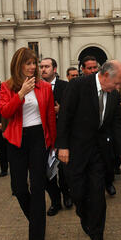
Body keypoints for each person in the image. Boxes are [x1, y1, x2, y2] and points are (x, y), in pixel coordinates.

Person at [56, 60, 121, 240]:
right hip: (74, 151)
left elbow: (116, 124)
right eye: (117, 83)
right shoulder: (78, 86)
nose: (118, 88)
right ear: (105, 75)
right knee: (79, 194)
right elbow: (65, 116)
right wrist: (62, 145)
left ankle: (98, 237)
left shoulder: (114, 94)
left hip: (99, 152)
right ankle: (85, 218)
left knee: (98, 196)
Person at [0, 47, 56, 240]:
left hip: (38, 139)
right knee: (19, 188)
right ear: (19, 65)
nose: (33, 67)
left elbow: (50, 116)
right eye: (29, 63)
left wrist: (53, 143)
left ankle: (37, 238)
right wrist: (21, 93)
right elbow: (5, 112)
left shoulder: (45, 88)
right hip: (16, 139)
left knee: (38, 186)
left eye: (35, 63)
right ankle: (36, 220)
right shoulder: (7, 87)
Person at [40, 57, 72, 215]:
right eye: (41, 66)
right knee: (46, 172)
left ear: (54, 68)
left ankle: (67, 195)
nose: (43, 69)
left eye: (47, 66)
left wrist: (61, 110)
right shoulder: (35, 87)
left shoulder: (65, 86)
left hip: (62, 135)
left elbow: (73, 108)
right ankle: (55, 201)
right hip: (43, 136)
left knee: (64, 171)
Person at [80, 55, 116, 196]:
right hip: (87, 137)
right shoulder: (80, 87)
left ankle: (109, 183)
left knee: (108, 163)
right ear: (83, 70)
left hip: (104, 136)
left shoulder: (110, 89)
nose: (93, 70)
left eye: (95, 67)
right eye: (89, 68)